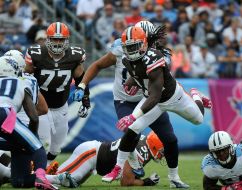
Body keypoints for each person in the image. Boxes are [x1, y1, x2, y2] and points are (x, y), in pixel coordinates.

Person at [73, 21, 189, 188]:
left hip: (149, 100)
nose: (151, 43)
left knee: (170, 139)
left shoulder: (156, 54)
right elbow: (98, 64)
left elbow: (164, 83)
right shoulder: (121, 48)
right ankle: (134, 163)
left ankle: (174, 178)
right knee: (131, 131)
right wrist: (82, 85)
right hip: (125, 100)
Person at [100, 26, 211, 184]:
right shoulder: (126, 60)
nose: (131, 50)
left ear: (144, 45)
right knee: (133, 129)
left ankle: (196, 95)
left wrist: (133, 115)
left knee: (198, 119)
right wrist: (130, 82)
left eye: (134, 46)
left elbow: (155, 95)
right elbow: (138, 74)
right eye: (128, 47)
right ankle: (117, 167)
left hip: (173, 97)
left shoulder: (154, 57)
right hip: (154, 101)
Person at [24, 22, 88, 163]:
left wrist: (85, 100)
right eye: (54, 39)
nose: (58, 43)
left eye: (61, 39)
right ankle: (40, 172)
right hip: (41, 107)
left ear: (67, 40)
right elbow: (24, 78)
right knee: (44, 143)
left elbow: (81, 79)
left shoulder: (74, 56)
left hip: (61, 106)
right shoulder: (37, 54)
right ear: (48, 39)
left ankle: (43, 168)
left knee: (56, 149)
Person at [0, 56, 56, 189]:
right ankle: (41, 177)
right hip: (4, 114)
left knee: (19, 181)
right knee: (37, 147)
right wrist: (33, 139)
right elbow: (35, 117)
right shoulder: (23, 83)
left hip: (7, 118)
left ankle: (23, 177)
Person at [46, 131, 162, 188]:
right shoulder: (143, 151)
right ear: (154, 146)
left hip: (94, 158)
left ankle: (49, 174)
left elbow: (127, 174)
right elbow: (126, 182)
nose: (163, 154)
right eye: (162, 151)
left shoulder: (143, 141)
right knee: (68, 179)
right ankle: (36, 176)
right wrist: (145, 182)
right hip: (91, 154)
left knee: (70, 184)